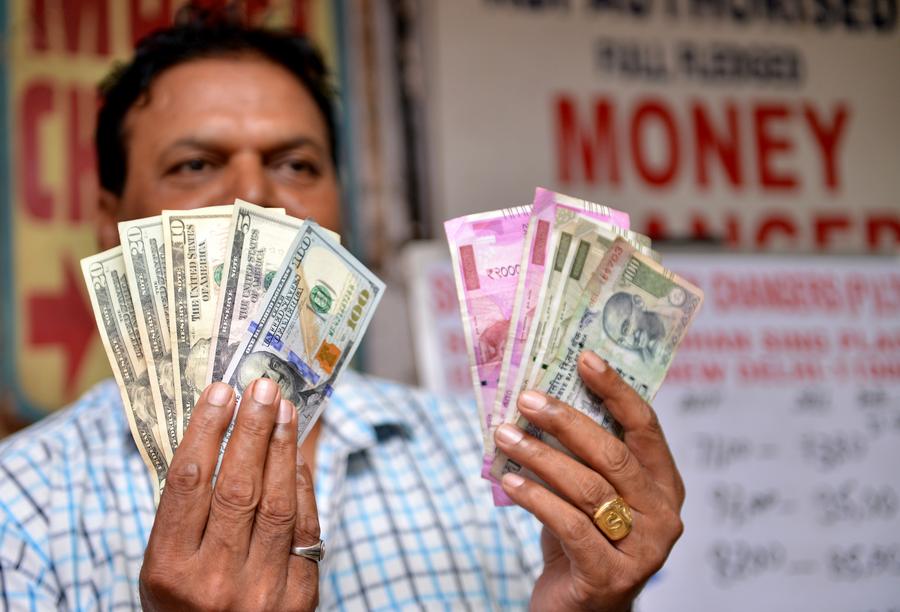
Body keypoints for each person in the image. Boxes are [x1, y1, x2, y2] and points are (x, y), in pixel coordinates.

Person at [0, 13, 684, 611]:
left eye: (296, 165)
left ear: (340, 211)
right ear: (109, 221)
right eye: (195, 165)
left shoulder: (495, 460)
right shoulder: (20, 505)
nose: (257, 196)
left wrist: (591, 606)